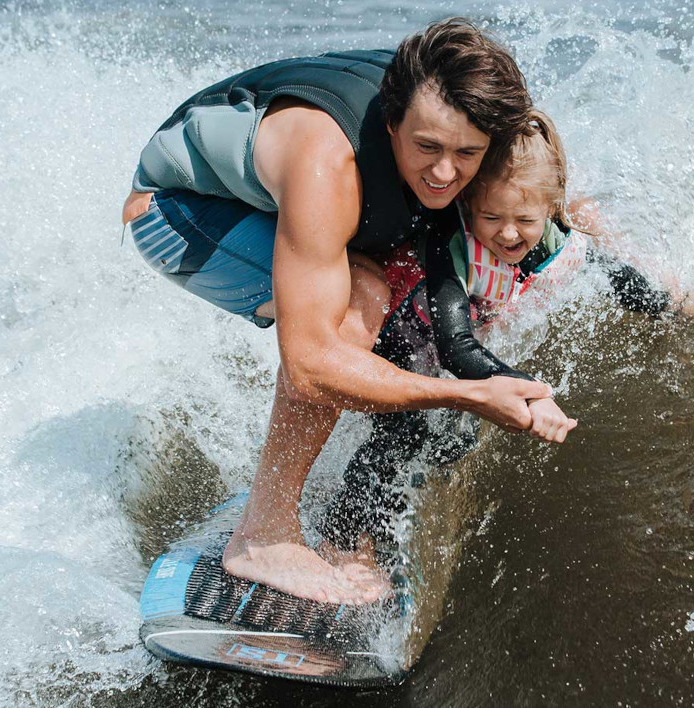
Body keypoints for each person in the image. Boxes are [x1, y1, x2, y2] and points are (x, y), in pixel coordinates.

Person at [122, 19, 562, 605]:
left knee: (421, 319)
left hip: (290, 207)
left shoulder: (466, 116)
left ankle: (353, 515)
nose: (444, 173)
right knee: (365, 302)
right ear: (391, 121)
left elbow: (544, 190)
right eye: (426, 147)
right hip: (178, 213)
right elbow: (309, 366)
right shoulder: (329, 164)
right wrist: (470, 395)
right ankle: (263, 536)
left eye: (466, 155)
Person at [317, 110, 694, 579]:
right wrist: (531, 392)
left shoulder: (552, 239)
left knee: (454, 438)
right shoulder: (450, 245)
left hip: (435, 342)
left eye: (525, 219)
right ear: (468, 204)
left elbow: (611, 274)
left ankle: (385, 520)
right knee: (405, 430)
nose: (507, 233)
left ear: (549, 210)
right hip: (398, 333)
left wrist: (672, 305)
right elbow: (457, 345)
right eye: (491, 217)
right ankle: (341, 538)